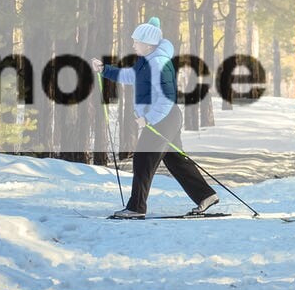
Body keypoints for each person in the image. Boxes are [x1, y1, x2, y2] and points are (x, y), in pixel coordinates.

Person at [91, 17, 218, 219]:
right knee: (176, 160)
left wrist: (149, 119)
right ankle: (206, 195)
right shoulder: (146, 61)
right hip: (166, 117)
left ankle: (136, 207)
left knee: (143, 159)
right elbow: (128, 76)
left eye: (136, 41)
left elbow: (168, 97)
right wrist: (104, 70)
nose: (133, 44)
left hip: (163, 117)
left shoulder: (158, 63)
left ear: (148, 44)